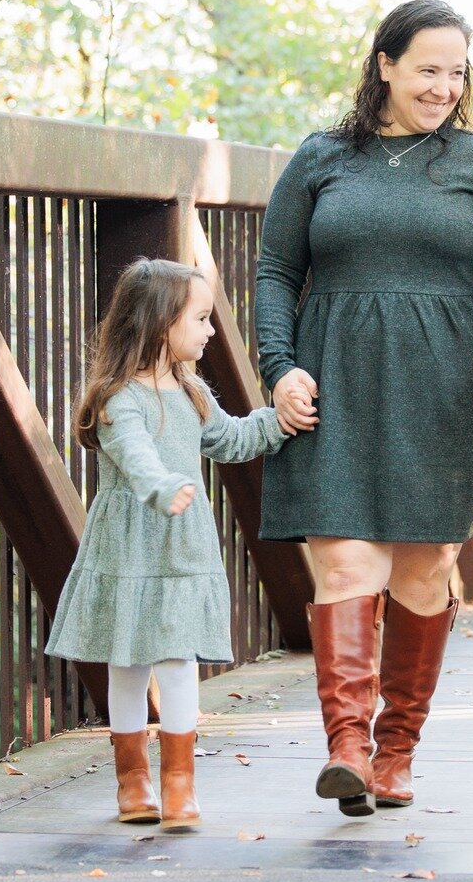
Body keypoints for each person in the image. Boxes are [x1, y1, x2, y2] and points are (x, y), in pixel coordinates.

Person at [254, 0, 473, 817]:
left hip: (446, 385)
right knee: (349, 564)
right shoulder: (323, 158)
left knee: (426, 571)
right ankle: (347, 746)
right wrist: (278, 367)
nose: (443, 86)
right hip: (337, 381)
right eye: (428, 68)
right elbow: (276, 270)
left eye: (456, 71)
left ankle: (396, 751)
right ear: (384, 64)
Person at [46, 258, 292, 829]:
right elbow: (135, 457)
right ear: (160, 323)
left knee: (178, 662)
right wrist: (162, 487)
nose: (211, 331)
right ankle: (133, 782)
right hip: (129, 551)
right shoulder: (117, 398)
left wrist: (279, 422)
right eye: (201, 319)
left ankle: (179, 786)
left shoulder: (191, 390)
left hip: (181, 551)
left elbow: (230, 440)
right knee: (128, 666)